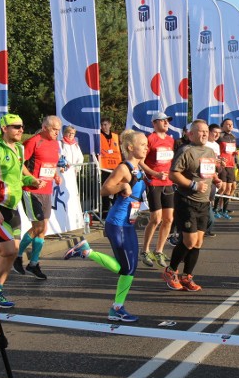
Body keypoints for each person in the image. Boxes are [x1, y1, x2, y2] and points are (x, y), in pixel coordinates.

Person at [63, 130, 149, 322]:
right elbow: (104, 189)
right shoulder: (124, 168)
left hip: (128, 224)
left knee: (131, 268)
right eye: (142, 144)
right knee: (126, 268)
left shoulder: (139, 167)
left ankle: (117, 308)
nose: (146, 147)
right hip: (116, 224)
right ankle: (87, 252)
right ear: (130, 147)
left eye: (146, 144)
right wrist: (122, 187)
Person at [0, 114, 41, 308]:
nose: (20, 130)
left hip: (13, 208)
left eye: (22, 126)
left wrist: (31, 180)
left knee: (11, 253)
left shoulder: (19, 150)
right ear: (4, 129)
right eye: (16, 126)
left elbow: (17, 178)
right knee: (8, 250)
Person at [163, 120, 221, 291]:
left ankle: (187, 276)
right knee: (189, 241)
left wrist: (217, 180)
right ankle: (171, 270)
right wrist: (193, 185)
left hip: (204, 202)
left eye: (205, 131)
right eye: (200, 131)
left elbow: (208, 172)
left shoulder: (210, 151)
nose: (203, 134)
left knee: (198, 243)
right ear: (191, 134)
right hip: (186, 201)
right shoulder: (186, 151)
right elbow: (173, 174)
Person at [12, 116, 62, 280]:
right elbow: (20, 164)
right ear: (45, 127)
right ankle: (16, 256)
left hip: (47, 189)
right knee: (38, 227)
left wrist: (55, 174)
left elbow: (49, 163)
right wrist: (32, 179)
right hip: (31, 189)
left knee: (43, 229)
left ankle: (33, 263)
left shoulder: (55, 143)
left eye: (59, 129)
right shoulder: (34, 141)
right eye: (54, 129)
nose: (57, 132)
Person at [139, 112, 177, 268]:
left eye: (168, 120)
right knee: (156, 218)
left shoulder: (170, 140)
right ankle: (145, 250)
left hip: (168, 183)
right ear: (155, 123)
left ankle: (159, 250)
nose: (167, 123)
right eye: (164, 120)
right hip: (154, 182)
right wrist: (155, 173)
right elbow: (140, 161)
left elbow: (172, 160)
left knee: (169, 219)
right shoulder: (150, 139)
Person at [97, 117, 122, 218]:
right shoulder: (98, 136)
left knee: (116, 190)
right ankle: (105, 212)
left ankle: (115, 210)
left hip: (116, 167)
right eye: (102, 125)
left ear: (110, 125)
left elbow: (120, 150)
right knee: (106, 190)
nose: (104, 127)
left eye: (105, 124)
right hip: (104, 167)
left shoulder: (116, 136)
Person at [216, 118, 239, 219]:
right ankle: (215, 208)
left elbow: (234, 153)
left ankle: (224, 210)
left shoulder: (233, 137)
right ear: (222, 126)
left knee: (229, 189)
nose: (230, 126)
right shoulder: (219, 136)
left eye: (231, 124)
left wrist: (238, 165)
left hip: (231, 165)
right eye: (227, 124)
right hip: (222, 165)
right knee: (222, 188)